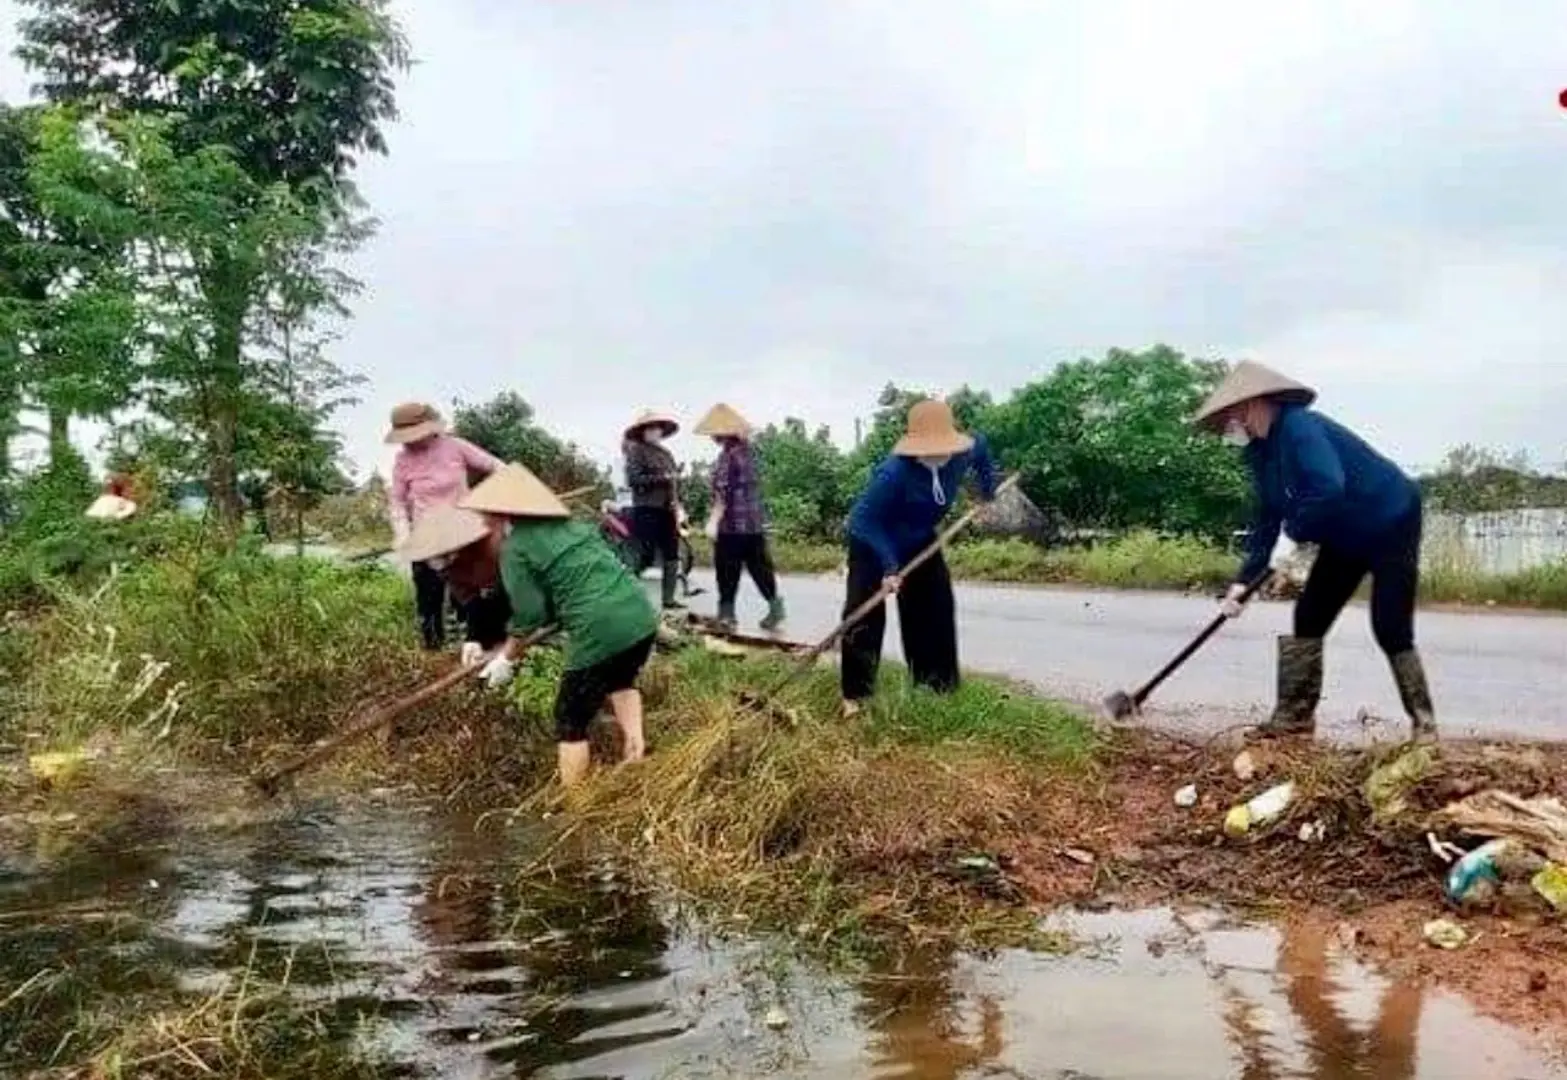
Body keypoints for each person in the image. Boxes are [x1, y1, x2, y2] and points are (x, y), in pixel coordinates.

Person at [1194, 360, 1435, 741]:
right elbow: (1267, 517)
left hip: (1390, 519)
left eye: (1228, 420)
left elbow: (1328, 487)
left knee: (1389, 626)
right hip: (1343, 535)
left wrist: (1293, 536)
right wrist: (1243, 583)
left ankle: (1425, 726)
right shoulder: (1259, 453)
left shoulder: (1299, 427)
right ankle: (1294, 719)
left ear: (1250, 406)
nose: (1227, 430)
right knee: (1309, 616)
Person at [457, 463, 659, 788]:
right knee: (621, 680)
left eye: (485, 516)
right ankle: (635, 755)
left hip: (600, 629)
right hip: (639, 615)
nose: (483, 523)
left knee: (569, 719)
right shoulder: (573, 526)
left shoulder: (516, 547)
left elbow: (530, 614)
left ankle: (574, 804)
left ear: (501, 515)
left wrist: (506, 659)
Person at [840, 399, 998, 717]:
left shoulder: (965, 451)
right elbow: (861, 521)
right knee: (864, 619)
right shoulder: (893, 474)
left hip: (921, 538)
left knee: (934, 607)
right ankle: (857, 697)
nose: (939, 453)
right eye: (930, 447)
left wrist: (987, 493)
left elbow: (984, 454)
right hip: (874, 544)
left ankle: (934, 687)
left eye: (943, 445)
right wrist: (888, 566)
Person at [385, 401, 502, 651]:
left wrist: (496, 499)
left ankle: (476, 645)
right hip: (426, 537)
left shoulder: (455, 446)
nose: (411, 441)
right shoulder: (403, 460)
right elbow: (396, 501)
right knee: (429, 598)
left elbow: (495, 466)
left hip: (463, 531)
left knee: (470, 594)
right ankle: (433, 649)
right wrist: (403, 534)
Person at [693, 402, 786, 632]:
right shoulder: (752, 453)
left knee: (727, 571)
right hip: (754, 524)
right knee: (760, 568)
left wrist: (713, 521)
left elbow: (722, 494)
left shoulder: (728, 456)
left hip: (732, 526)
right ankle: (775, 608)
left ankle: (727, 616)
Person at [621, 408, 684, 611]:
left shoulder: (666, 454)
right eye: (651, 428)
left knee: (672, 553)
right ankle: (624, 596)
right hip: (647, 508)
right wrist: (661, 478)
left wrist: (677, 503)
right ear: (643, 431)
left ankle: (668, 600)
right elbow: (634, 480)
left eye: (658, 428)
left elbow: (674, 482)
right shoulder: (636, 451)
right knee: (643, 555)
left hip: (667, 509)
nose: (655, 431)